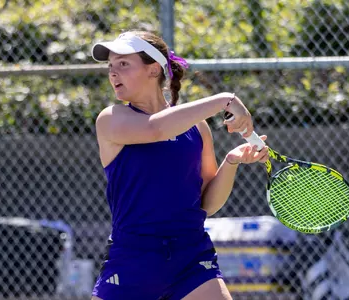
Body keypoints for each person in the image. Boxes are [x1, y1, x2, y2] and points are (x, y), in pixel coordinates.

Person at [89, 30, 269, 300]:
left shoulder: (197, 128)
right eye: (110, 66)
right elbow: (155, 129)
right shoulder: (111, 119)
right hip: (134, 259)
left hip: (191, 257)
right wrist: (224, 100)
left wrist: (231, 161)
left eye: (124, 64)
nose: (113, 73)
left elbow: (206, 204)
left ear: (153, 70)